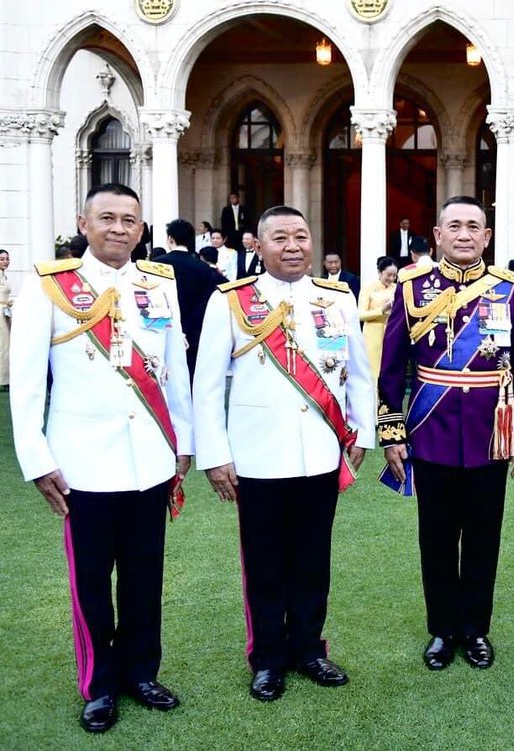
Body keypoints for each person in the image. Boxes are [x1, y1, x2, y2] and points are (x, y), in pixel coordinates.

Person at [10, 183, 193, 734]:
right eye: (107, 218)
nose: (119, 228)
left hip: (150, 460)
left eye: (130, 220)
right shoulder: (48, 287)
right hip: (82, 462)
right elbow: (25, 383)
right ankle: (98, 685)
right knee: (90, 579)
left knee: (144, 577)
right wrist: (37, 459)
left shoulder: (159, 285)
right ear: (82, 223)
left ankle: (140, 672)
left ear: (143, 230)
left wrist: (182, 443)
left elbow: (173, 370)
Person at [193, 206, 374, 703]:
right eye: (280, 238)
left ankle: (311, 649)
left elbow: (358, 373)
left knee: (314, 560)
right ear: (258, 245)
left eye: (301, 236)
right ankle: (269, 658)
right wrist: (215, 454)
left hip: (320, 451)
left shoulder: (336, 298)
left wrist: (361, 433)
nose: (292, 246)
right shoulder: (231, 301)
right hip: (257, 456)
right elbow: (207, 385)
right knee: (266, 563)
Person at [378, 196, 514, 670]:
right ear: (438, 233)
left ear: (487, 236)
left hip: (492, 431)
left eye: (474, 226)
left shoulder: (509, 290)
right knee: (437, 537)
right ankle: (442, 630)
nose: (465, 234)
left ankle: (475, 630)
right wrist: (391, 429)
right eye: (455, 225)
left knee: (485, 537)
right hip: (432, 430)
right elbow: (392, 367)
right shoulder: (411, 287)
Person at [155, 219, 225, 380]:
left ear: (170, 239)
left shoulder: (156, 266)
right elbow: (207, 303)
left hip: (163, 333)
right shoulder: (204, 269)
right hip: (195, 335)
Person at [359, 255, 399, 381]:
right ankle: (373, 400)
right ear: (380, 272)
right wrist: (382, 310)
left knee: (390, 372)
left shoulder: (397, 288)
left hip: (392, 333)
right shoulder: (368, 287)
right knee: (373, 372)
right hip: (373, 334)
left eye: (394, 275)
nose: (391, 278)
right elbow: (360, 315)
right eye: (388, 274)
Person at [0, 248, 11, 390]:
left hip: (5, 312)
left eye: (7, 258)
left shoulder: (4, 276)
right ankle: (3, 380)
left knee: (5, 345)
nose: (5, 261)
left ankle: (5, 378)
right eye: (2, 259)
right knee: (3, 346)